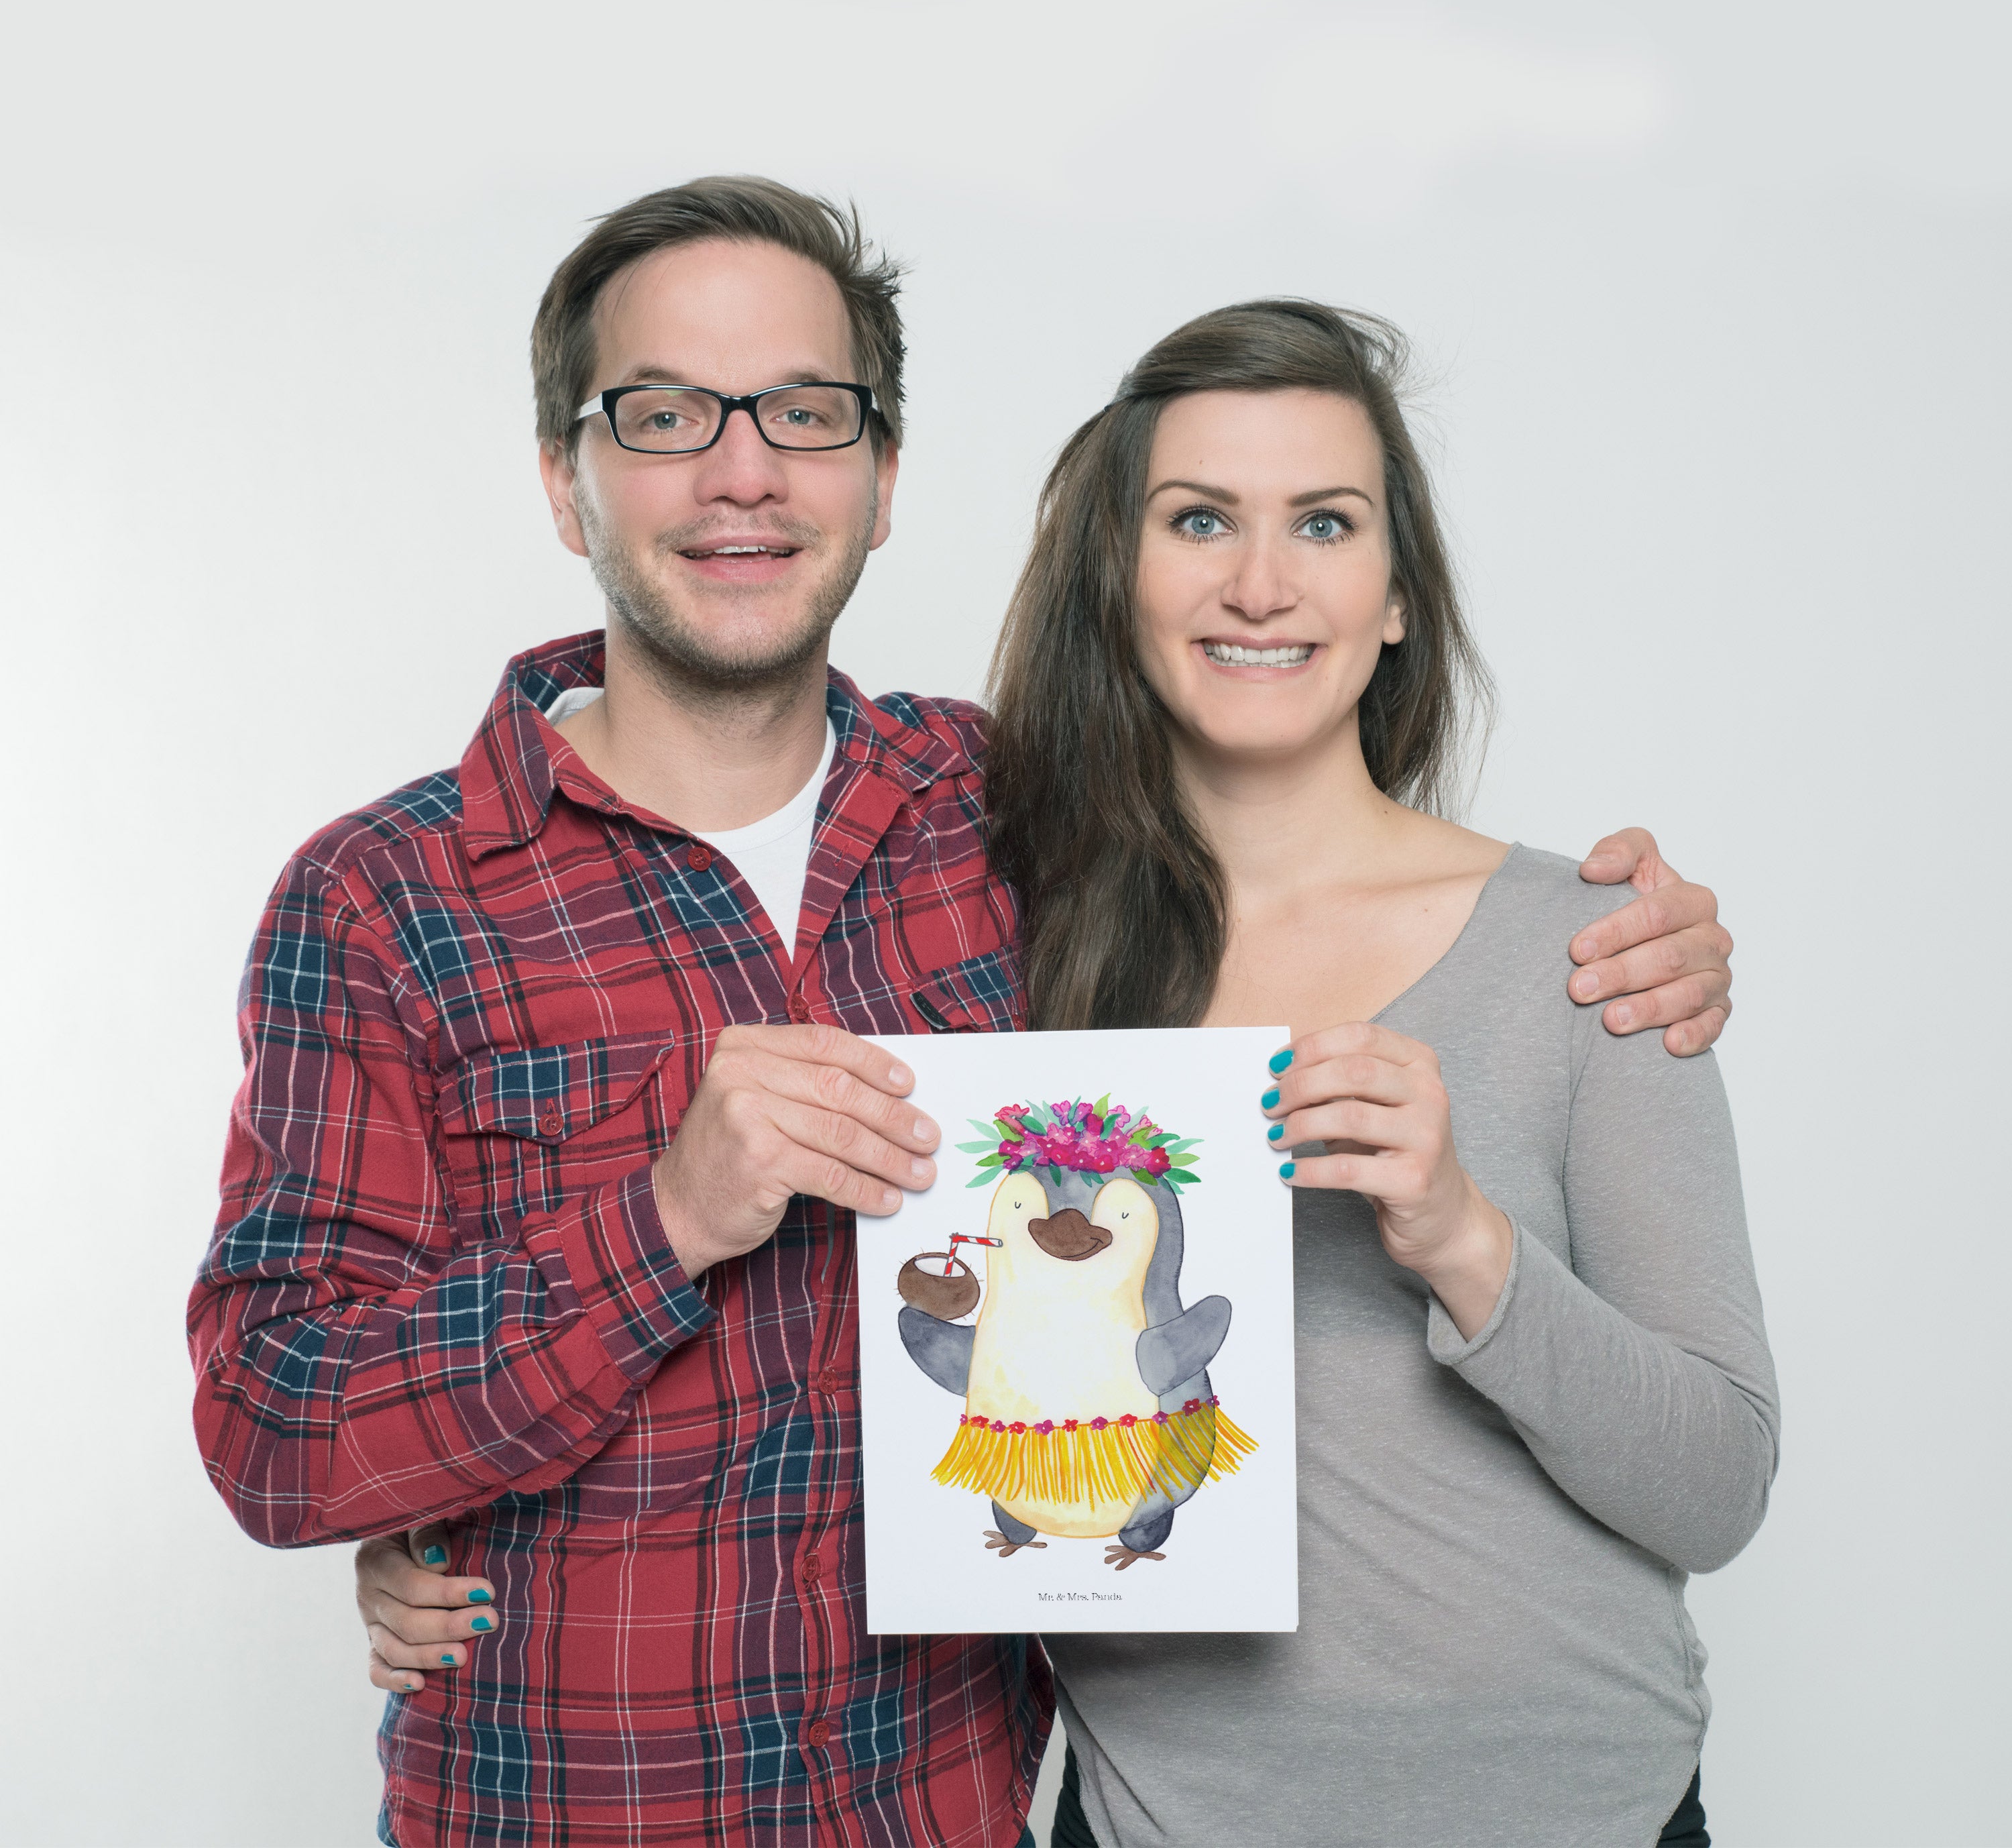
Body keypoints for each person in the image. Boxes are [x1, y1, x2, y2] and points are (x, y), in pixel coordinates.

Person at [189, 176, 1734, 1848]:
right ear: (568, 482)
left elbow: (1310, 856)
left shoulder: (1010, 827)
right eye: (663, 414)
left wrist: (1634, 938)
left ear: (883, 476)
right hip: (572, 1810)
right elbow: (280, 1433)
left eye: (804, 410)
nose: (742, 471)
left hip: (939, 1809)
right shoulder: (383, 901)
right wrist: (657, 1230)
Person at [981, 300, 1776, 1847]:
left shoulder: (1592, 947)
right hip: (1161, 1822)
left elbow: (1719, 1488)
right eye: (1198, 518)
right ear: (1117, 577)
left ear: (1399, 594)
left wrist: (1467, 1240)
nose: (1261, 582)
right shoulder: (1000, 954)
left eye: (1326, 522)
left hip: (1587, 1816)